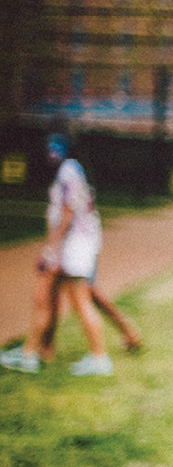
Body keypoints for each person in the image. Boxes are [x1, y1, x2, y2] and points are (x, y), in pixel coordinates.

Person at [1, 133, 114, 376]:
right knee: (46, 296)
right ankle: (34, 351)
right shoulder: (73, 169)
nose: (51, 154)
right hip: (76, 244)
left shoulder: (68, 170)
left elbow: (67, 211)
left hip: (73, 245)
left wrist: (52, 248)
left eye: (55, 149)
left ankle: (98, 357)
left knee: (78, 301)